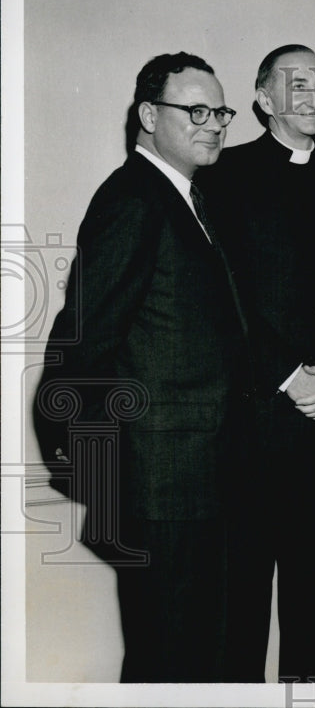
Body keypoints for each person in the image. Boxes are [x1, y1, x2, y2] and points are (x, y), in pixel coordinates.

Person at [33, 52, 251, 682]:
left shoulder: (187, 199)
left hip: (198, 481)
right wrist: (99, 477)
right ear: (150, 115)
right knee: (168, 662)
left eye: (221, 112)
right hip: (162, 489)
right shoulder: (133, 200)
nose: (213, 124)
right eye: (197, 111)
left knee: (193, 658)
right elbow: (78, 349)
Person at [195, 44, 315, 682]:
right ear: (264, 101)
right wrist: (289, 374)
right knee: (239, 601)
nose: (314, 94)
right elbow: (223, 301)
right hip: (245, 426)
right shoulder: (221, 177)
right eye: (297, 83)